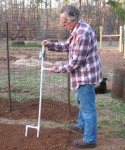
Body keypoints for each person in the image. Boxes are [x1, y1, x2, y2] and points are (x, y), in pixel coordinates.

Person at [42, 5, 103, 149]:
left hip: (86, 75)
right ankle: (81, 125)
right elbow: (67, 45)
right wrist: (51, 45)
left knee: (87, 108)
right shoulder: (76, 29)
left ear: (73, 19)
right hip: (84, 73)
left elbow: (75, 62)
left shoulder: (82, 33)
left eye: (64, 21)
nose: (62, 24)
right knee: (82, 101)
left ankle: (90, 139)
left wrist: (56, 68)